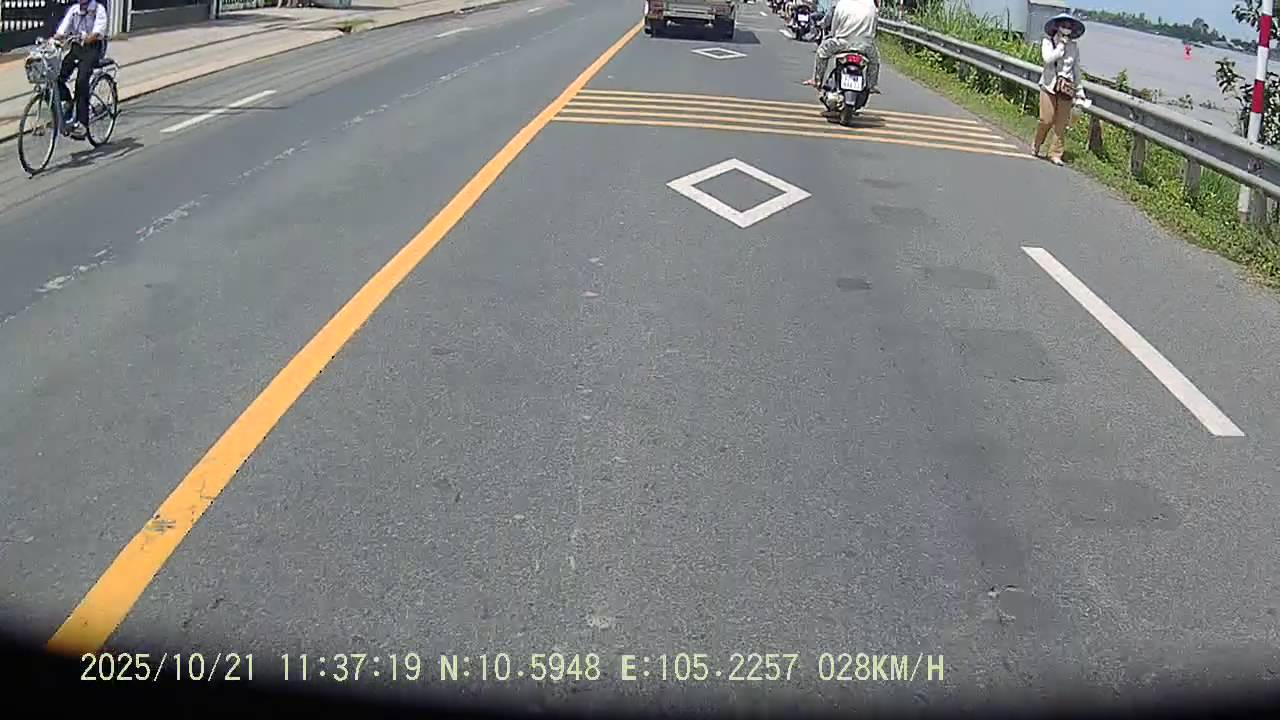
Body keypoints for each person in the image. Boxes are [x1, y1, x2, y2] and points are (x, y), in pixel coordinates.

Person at [1034, 12, 1087, 166]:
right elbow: (1048, 59)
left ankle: (1056, 153)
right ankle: (1037, 143)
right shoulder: (1047, 41)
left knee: (1061, 123)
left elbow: (1076, 70)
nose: (1066, 29)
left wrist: (1080, 91)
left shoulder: (1074, 47)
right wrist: (1061, 46)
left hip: (1066, 88)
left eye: (1069, 27)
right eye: (1063, 25)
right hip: (1049, 85)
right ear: (1057, 26)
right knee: (1046, 119)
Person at [53, 0, 109, 139]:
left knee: (81, 81)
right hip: (77, 48)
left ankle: (82, 123)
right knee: (57, 76)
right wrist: (57, 37)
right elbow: (63, 28)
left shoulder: (98, 9)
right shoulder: (74, 10)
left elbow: (98, 32)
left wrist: (88, 37)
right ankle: (68, 103)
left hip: (93, 48)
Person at [804, 0, 880, 94]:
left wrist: (834, 36)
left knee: (822, 51)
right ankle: (871, 85)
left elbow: (834, 27)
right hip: (865, 45)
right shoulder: (871, 5)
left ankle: (817, 80)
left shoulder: (841, 4)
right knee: (875, 61)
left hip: (842, 42)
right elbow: (874, 28)